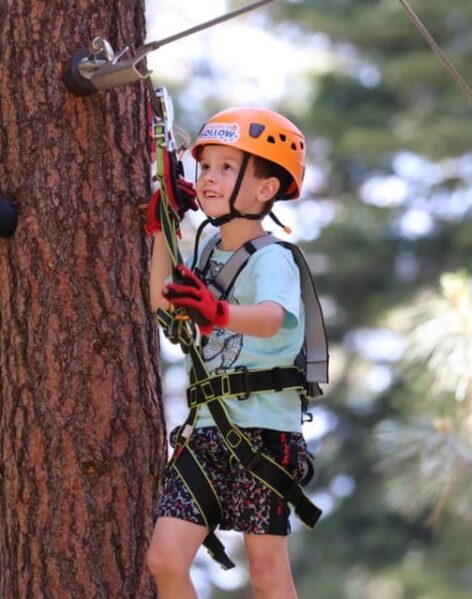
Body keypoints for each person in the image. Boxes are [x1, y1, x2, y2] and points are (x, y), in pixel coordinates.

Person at [145, 107, 323, 599]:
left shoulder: (273, 258)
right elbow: (162, 300)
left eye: (227, 167)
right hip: (207, 434)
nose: (209, 178)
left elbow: (269, 318)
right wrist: (164, 226)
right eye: (205, 168)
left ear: (266, 189)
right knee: (164, 558)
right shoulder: (206, 254)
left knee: (266, 570)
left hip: (264, 434)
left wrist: (217, 312)